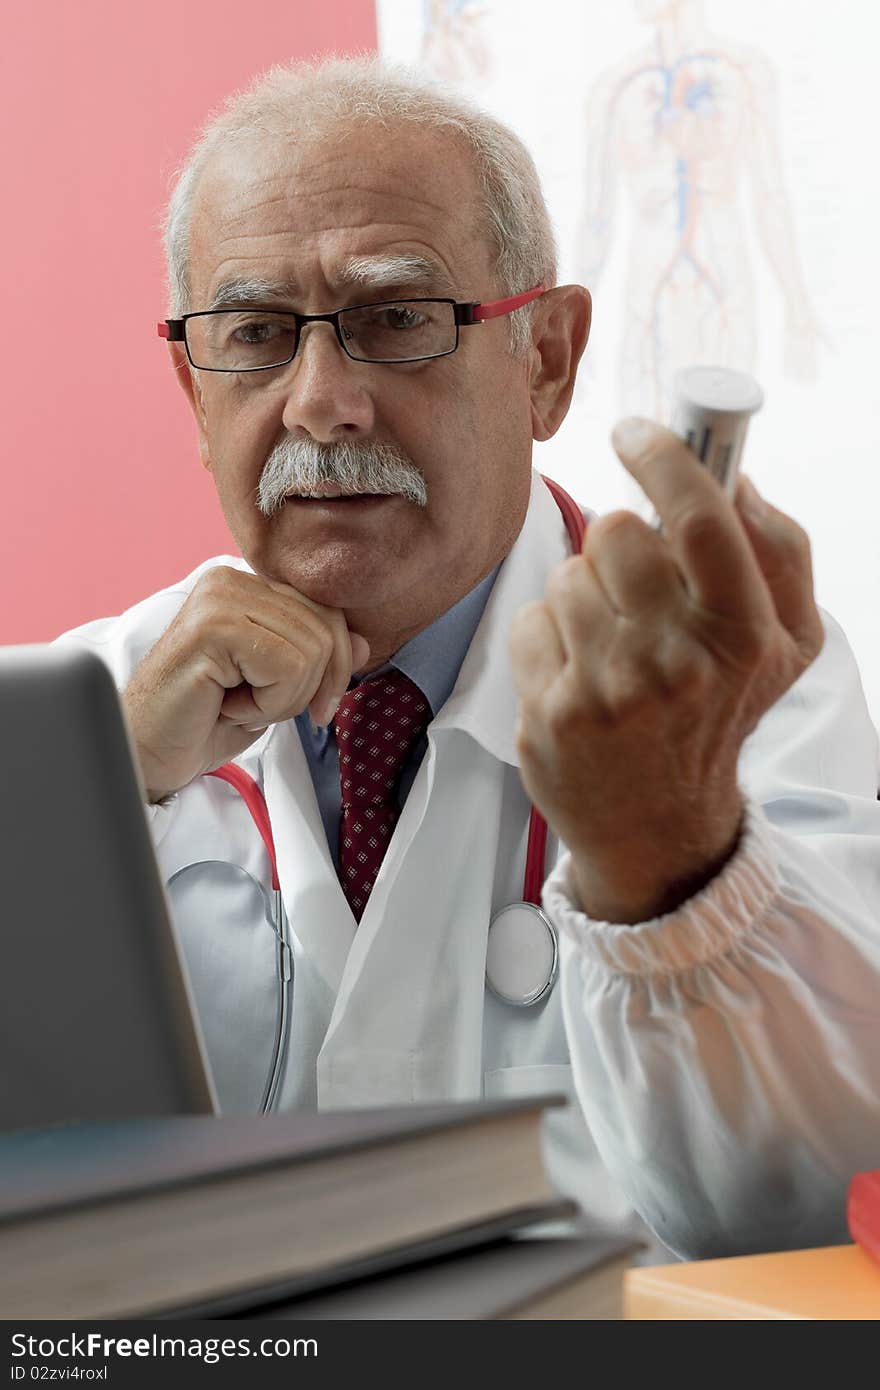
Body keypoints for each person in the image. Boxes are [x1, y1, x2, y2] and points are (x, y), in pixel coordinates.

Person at [56, 56, 880, 1261]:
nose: (319, 403)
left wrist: (670, 855)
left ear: (543, 357)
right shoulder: (87, 714)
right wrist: (98, 800)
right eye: (256, 334)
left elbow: (819, 1211)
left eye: (396, 319)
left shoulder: (736, 683)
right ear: (193, 384)